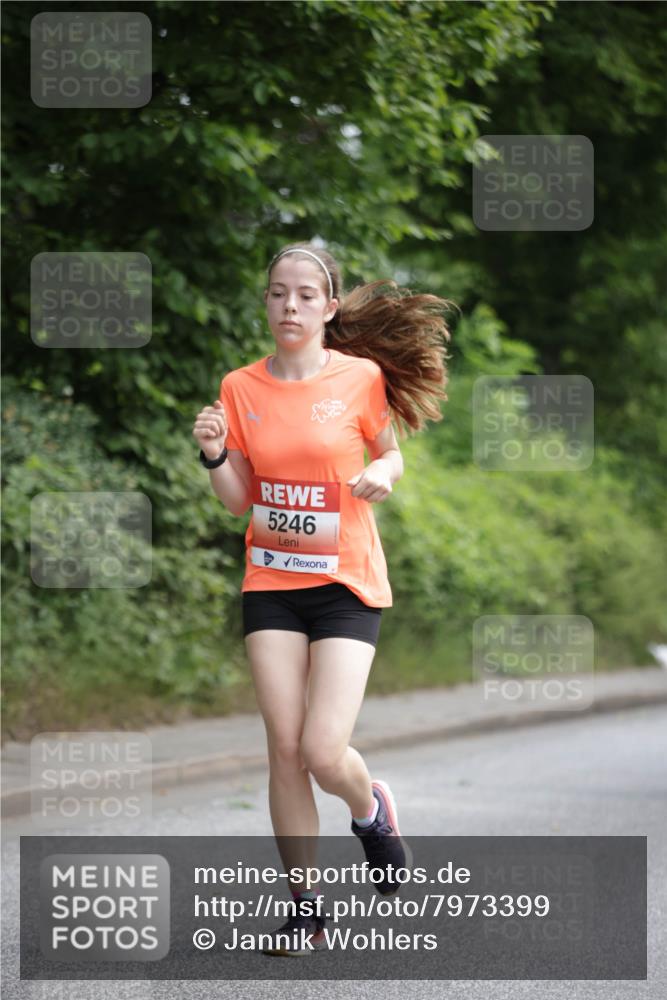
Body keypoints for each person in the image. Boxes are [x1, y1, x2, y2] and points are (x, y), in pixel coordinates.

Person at [192, 242, 452, 956]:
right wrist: (214, 453)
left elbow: (390, 449)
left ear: (329, 307)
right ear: (266, 301)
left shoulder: (361, 377)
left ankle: (370, 812)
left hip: (345, 584)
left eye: (306, 295)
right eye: (278, 293)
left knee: (320, 747)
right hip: (271, 582)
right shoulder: (240, 387)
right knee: (282, 749)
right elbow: (237, 500)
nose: (290, 307)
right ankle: (306, 909)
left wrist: (384, 473)